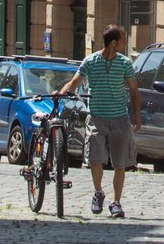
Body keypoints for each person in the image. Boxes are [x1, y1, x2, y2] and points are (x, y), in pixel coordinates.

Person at [58, 25, 142, 218]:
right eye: (123, 39)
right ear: (114, 43)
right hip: (96, 117)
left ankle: (116, 202)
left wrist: (136, 116)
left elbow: (134, 91)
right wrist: (61, 92)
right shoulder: (90, 61)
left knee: (120, 163)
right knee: (96, 159)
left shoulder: (124, 63)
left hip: (119, 118)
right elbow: (74, 82)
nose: (125, 42)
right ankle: (98, 192)